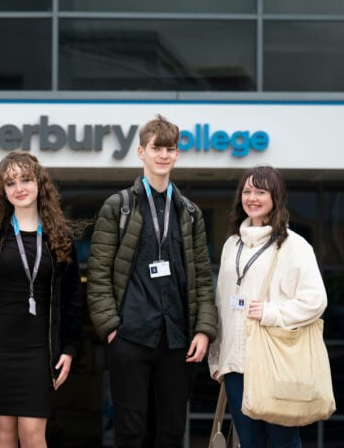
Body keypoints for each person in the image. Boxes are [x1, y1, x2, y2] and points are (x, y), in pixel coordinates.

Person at [87, 114, 218, 447]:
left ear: (176, 155)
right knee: (131, 432)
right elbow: (98, 273)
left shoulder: (189, 212)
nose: (163, 155)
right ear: (141, 152)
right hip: (130, 336)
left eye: (170, 149)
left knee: (172, 432)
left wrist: (204, 330)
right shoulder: (118, 207)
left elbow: (203, 276)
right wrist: (111, 329)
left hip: (178, 339)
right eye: (156, 148)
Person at [0, 151, 83, 448]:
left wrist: (69, 348)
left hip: (40, 347)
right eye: (10, 182)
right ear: (3, 192)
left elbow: (72, 300)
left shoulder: (60, 239)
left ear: (40, 183)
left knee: (32, 434)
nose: (19, 187)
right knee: (2, 434)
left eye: (26, 179)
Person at [208, 166, 328, 448]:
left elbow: (316, 300)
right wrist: (217, 359)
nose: (252, 198)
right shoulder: (231, 244)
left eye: (260, 192)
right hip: (236, 366)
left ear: (276, 198)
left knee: (284, 440)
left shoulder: (294, 246)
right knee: (249, 442)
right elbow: (221, 304)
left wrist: (271, 313)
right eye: (247, 191)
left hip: (276, 363)